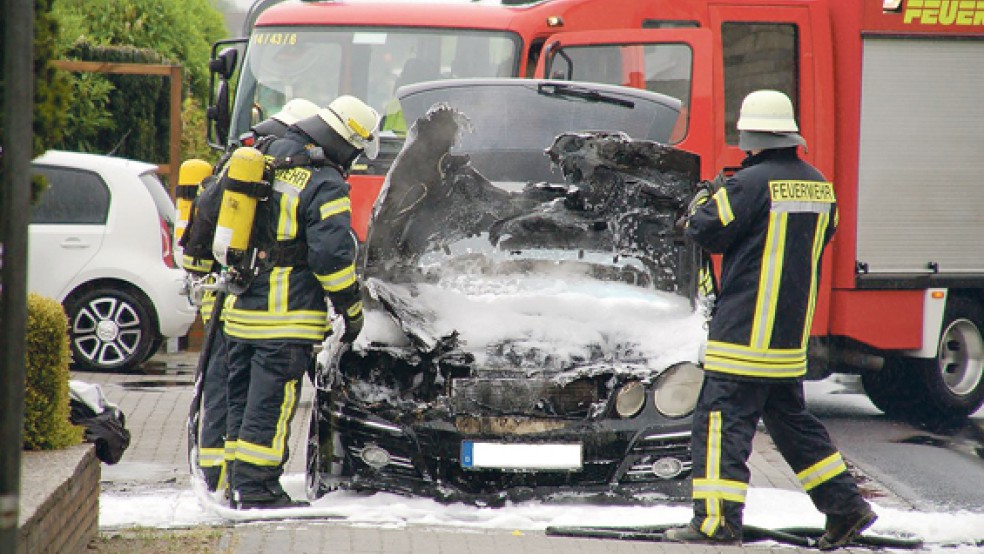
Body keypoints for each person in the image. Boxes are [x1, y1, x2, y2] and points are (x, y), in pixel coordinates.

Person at [665, 90, 876, 549]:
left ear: (750, 136)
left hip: (743, 337)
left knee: (721, 426)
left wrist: (703, 201)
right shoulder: (820, 186)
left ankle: (716, 523)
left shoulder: (747, 184)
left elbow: (704, 231)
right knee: (794, 427)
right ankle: (846, 509)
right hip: (787, 340)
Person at [221, 95, 379, 509]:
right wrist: (351, 310)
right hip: (285, 317)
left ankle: (235, 482)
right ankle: (258, 490)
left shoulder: (265, 155)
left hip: (241, 310)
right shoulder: (324, 181)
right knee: (270, 406)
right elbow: (331, 259)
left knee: (242, 402)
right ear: (346, 142)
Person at [181, 97, 320, 495]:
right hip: (236, 298)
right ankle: (229, 481)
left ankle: (219, 477)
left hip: (221, 292)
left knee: (223, 390)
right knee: (231, 391)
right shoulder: (262, 170)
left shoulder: (238, 161)